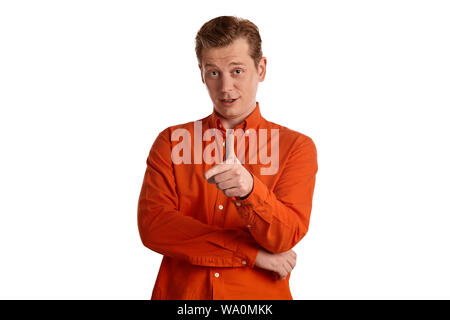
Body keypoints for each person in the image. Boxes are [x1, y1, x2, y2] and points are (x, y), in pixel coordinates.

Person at [137, 15, 318, 300]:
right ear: (201, 73)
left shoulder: (296, 147)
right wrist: (253, 254)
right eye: (213, 72)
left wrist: (250, 190)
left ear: (261, 69)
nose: (225, 88)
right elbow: (155, 228)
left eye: (237, 71)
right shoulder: (170, 142)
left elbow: (285, 236)